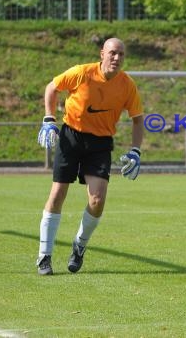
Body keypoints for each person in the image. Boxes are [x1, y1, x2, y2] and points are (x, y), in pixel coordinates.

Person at [36, 38, 144, 276]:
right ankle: (45, 255)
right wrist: (48, 118)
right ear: (102, 53)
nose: (117, 58)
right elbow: (52, 88)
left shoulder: (127, 85)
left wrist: (136, 150)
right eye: (113, 53)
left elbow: (137, 118)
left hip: (100, 143)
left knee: (97, 200)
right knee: (58, 193)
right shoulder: (81, 73)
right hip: (71, 136)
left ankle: (79, 244)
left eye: (121, 54)